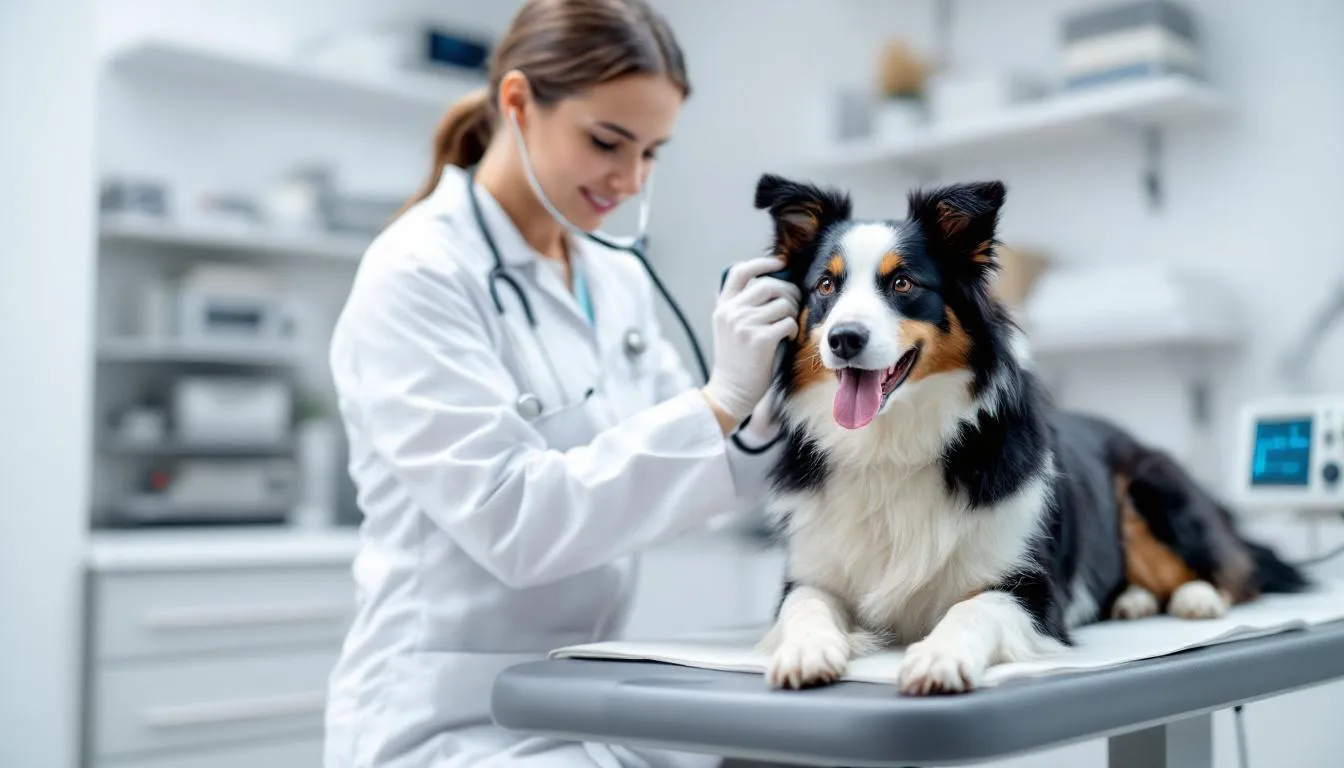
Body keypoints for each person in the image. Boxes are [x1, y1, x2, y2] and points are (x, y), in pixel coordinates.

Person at [322, 1, 800, 765]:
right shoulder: (417, 274)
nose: (630, 178)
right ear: (517, 104)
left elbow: (685, 483)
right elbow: (516, 522)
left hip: (583, 696)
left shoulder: (613, 276)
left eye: (652, 152)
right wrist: (718, 402)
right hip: (449, 719)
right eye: (607, 141)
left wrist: (772, 407)